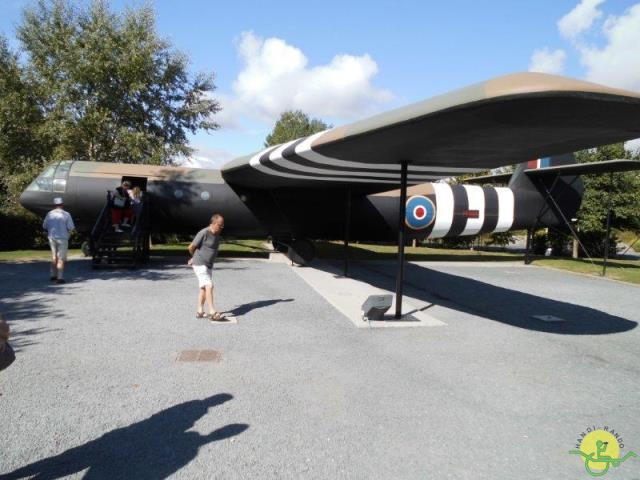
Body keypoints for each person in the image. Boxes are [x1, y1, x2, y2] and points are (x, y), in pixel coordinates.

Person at [188, 214, 225, 321]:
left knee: (203, 288)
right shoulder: (203, 233)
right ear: (213, 223)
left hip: (208, 265)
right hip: (200, 264)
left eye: (223, 225)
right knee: (209, 285)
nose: (222, 227)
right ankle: (212, 311)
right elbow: (191, 247)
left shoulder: (217, 234)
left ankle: (199, 311)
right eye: (220, 225)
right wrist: (193, 258)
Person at [43, 197, 75, 284]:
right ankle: (60, 277)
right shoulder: (66, 214)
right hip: (62, 238)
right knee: (61, 257)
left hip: (52, 237)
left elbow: (44, 226)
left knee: (54, 256)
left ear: (54, 205)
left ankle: (53, 275)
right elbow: (71, 227)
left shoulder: (49, 214)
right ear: (62, 204)